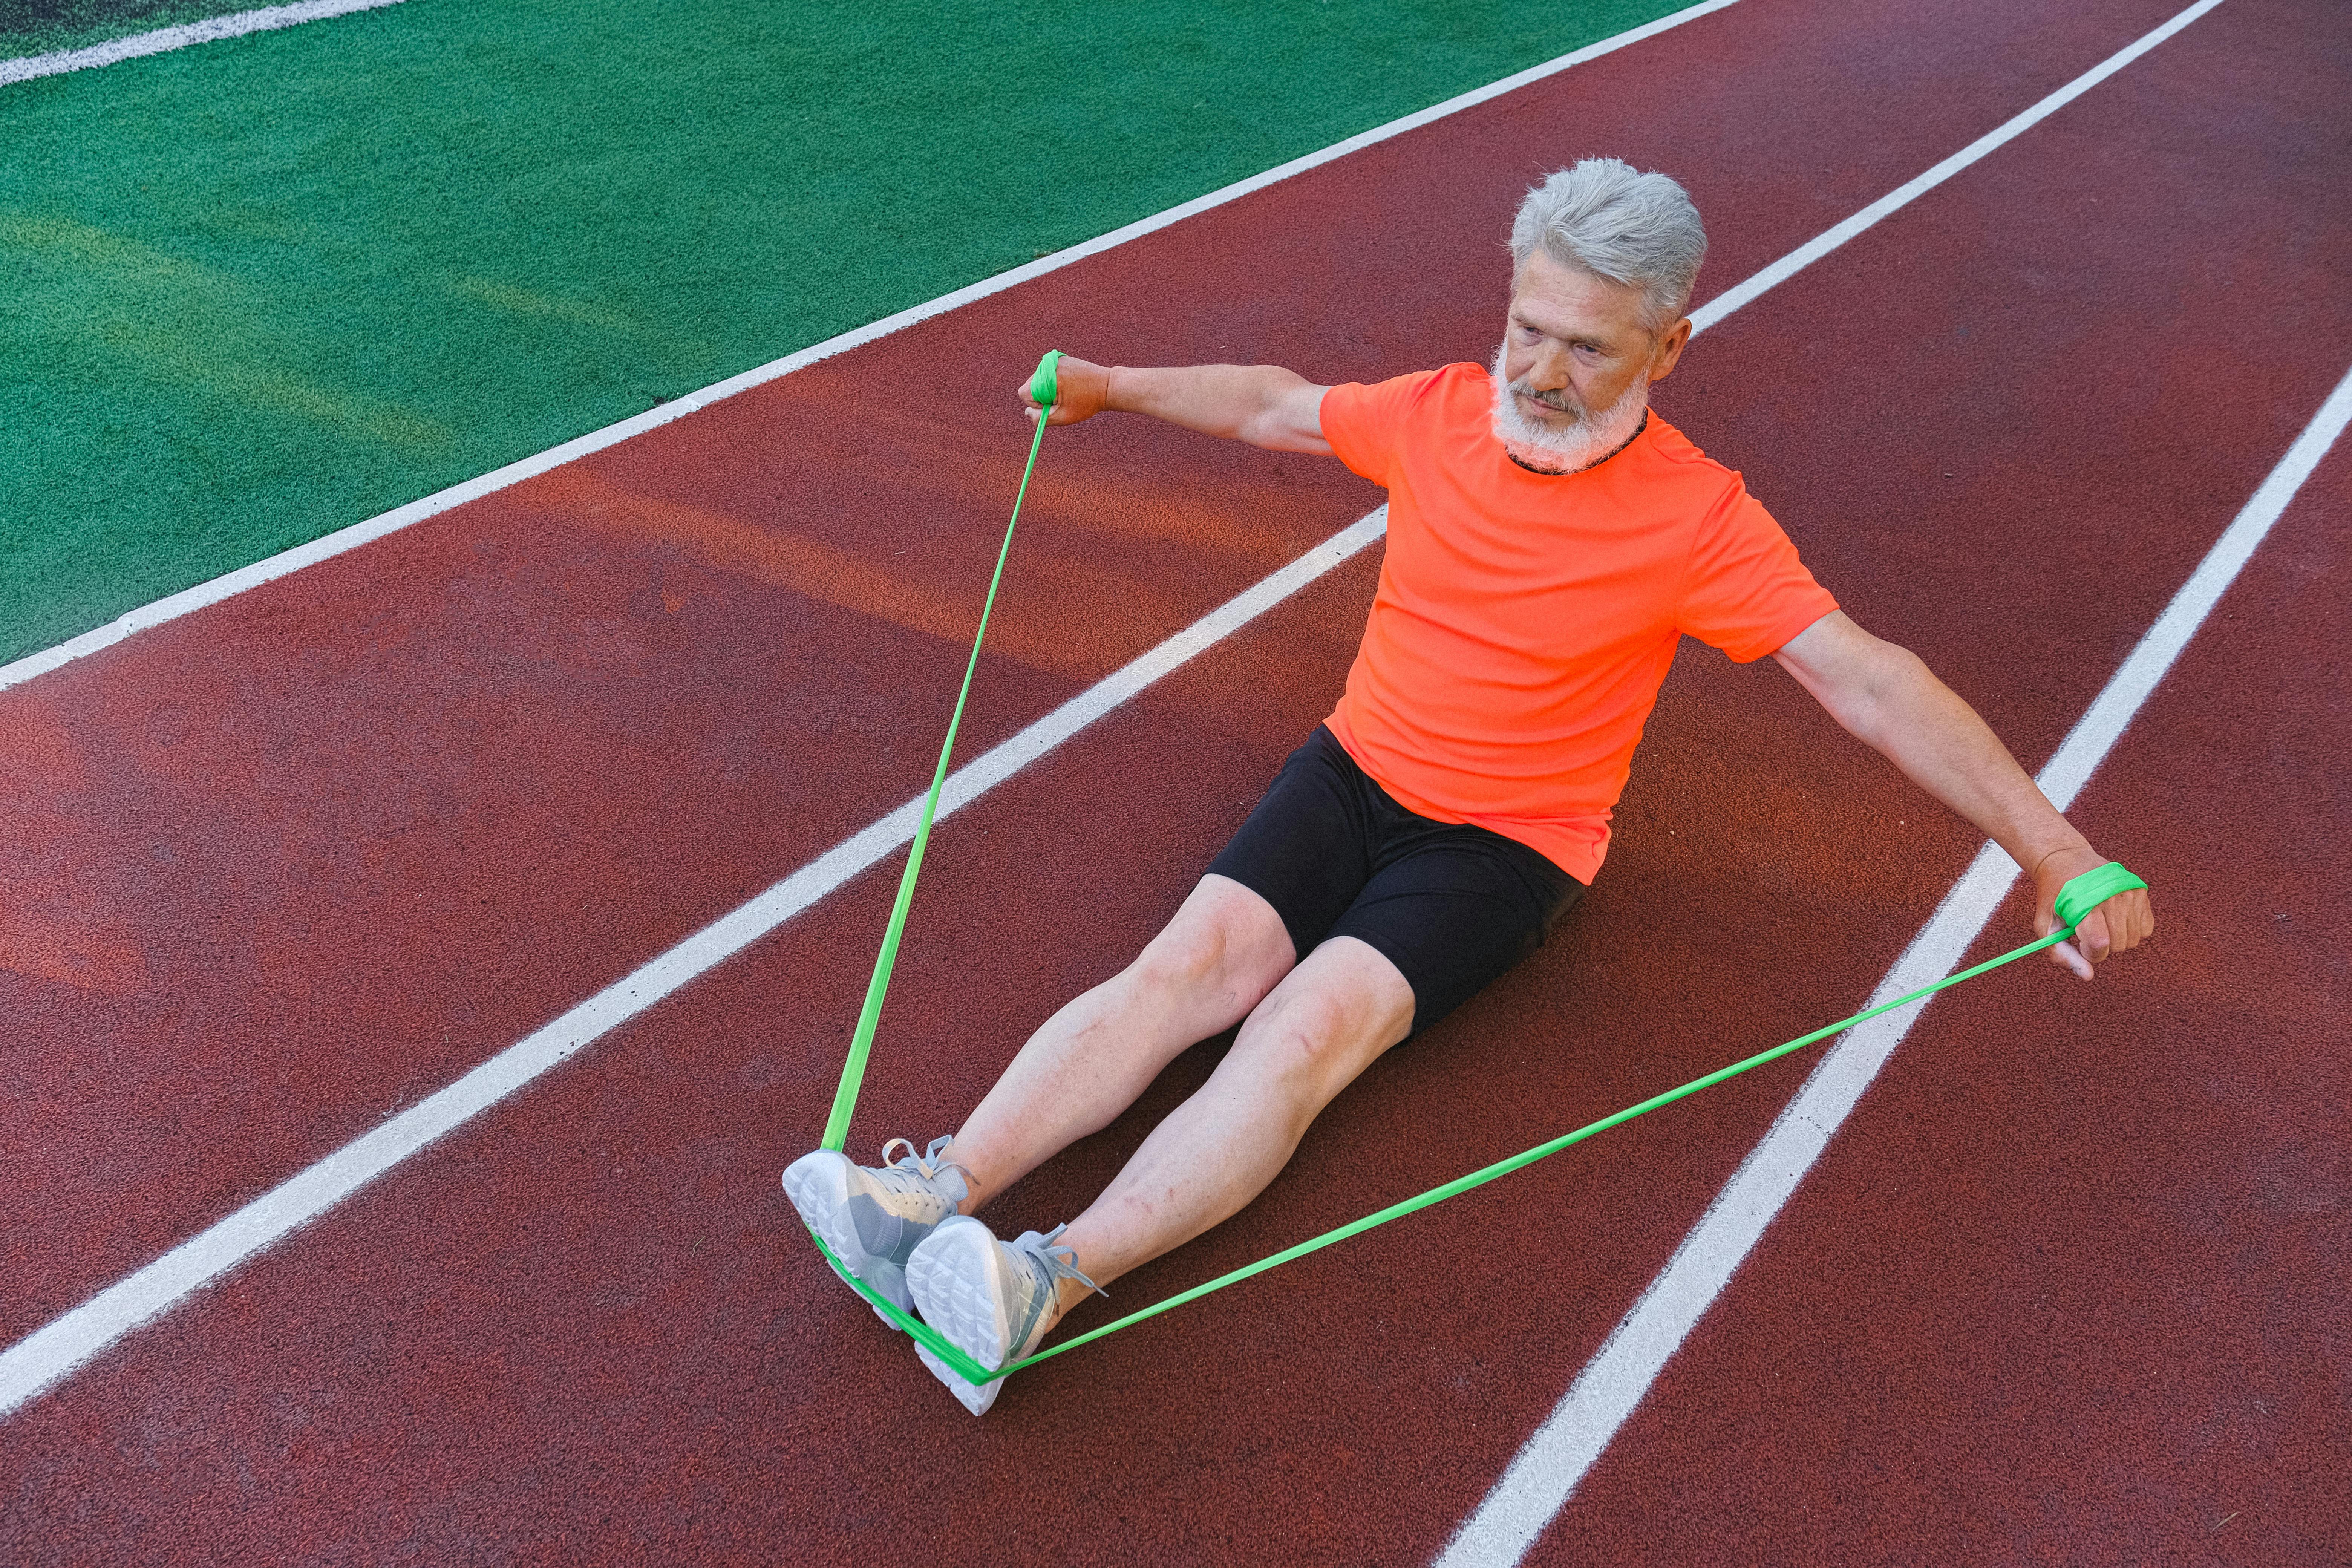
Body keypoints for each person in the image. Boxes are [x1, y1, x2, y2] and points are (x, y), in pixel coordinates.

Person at [782, 158, 2155, 1415]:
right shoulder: (1440, 414)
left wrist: (2051, 848)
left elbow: (1867, 678)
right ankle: (935, 1191)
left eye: (1589, 346)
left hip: (1508, 844)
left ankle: (1043, 1282)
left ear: (1669, 346)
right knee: (1187, 965)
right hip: (1355, 765)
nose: (1544, 371)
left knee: (1302, 1035)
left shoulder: (1701, 521)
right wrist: (1108, 382)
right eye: (1530, 329)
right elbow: (1275, 404)